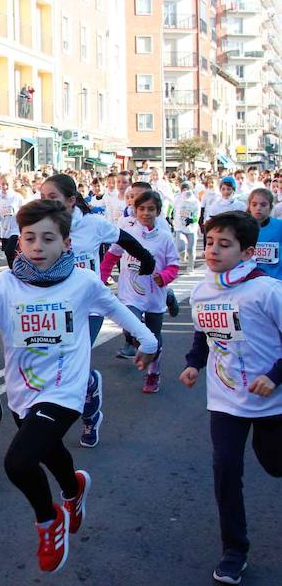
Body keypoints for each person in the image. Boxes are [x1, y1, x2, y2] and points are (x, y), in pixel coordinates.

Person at [0, 199, 157, 573]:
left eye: (48, 238)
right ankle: (74, 489)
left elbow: (117, 310)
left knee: (19, 462)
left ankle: (49, 522)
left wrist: (149, 342)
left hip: (66, 388)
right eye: (29, 238)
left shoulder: (83, 283)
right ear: (19, 241)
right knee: (49, 453)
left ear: (66, 243)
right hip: (23, 390)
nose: (37, 246)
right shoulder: (3, 285)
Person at [179, 211, 282, 585]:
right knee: (226, 469)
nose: (213, 251)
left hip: (273, 402)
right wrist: (194, 364)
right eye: (209, 243)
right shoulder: (204, 289)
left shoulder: (267, 291)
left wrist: (274, 376)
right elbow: (202, 333)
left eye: (225, 245)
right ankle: (234, 550)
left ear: (248, 251)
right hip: (225, 401)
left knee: (274, 465)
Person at [38, 174, 156, 446]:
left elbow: (124, 239)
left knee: (72, 361)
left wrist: (146, 259)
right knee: (59, 361)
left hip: (89, 306)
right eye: (42, 197)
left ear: (70, 200)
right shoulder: (42, 225)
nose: (46, 203)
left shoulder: (92, 224)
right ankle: (90, 385)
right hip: (56, 305)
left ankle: (88, 416)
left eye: (52, 198)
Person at [101, 191, 180, 393]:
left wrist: (163, 277)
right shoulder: (127, 234)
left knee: (154, 336)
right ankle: (142, 345)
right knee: (130, 327)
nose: (146, 213)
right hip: (131, 293)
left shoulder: (164, 237)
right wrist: (99, 280)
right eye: (141, 209)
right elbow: (111, 257)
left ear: (158, 212)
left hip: (155, 294)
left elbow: (174, 266)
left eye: (151, 209)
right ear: (134, 211)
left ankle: (153, 373)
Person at [247, 188, 282, 280]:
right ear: (249, 207)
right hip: (249, 281)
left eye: (263, 205)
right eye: (254, 204)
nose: (258, 208)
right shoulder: (241, 228)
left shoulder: (280, 226)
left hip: (276, 280)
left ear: (270, 207)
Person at [0, 175, 24, 268]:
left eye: (7, 184)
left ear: (12, 184)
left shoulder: (17, 197)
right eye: (3, 184)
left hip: (16, 230)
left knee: (9, 251)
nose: (5, 186)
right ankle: (14, 271)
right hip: (5, 231)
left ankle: (16, 270)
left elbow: (25, 211)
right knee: (9, 255)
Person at [173, 181, 201, 272]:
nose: (186, 191)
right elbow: (172, 208)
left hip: (191, 228)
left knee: (190, 248)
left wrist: (192, 220)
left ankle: (190, 265)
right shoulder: (177, 199)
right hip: (179, 227)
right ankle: (182, 253)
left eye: (187, 189)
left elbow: (197, 216)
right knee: (180, 246)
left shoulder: (195, 201)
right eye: (183, 189)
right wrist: (170, 216)